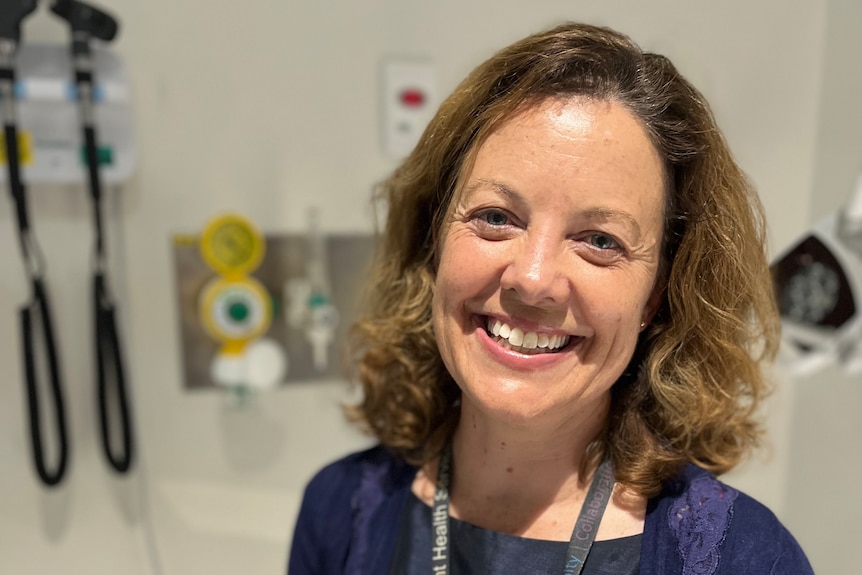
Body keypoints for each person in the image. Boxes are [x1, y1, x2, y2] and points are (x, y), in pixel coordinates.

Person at [288, 22, 814, 575]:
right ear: (434, 240)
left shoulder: (748, 560)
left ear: (657, 296)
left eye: (600, 241)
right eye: (496, 217)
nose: (534, 279)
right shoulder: (338, 512)